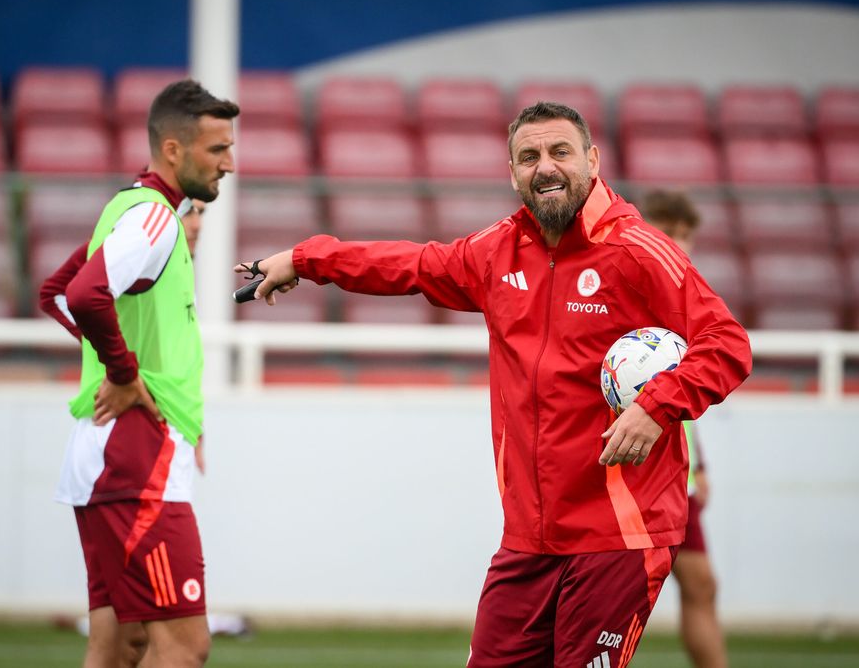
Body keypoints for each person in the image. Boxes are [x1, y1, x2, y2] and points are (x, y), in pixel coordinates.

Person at [236, 102, 752, 667]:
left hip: (617, 538)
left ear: (593, 160)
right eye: (528, 157)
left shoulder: (638, 250)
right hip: (527, 541)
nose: (545, 167)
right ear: (512, 173)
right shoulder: (497, 250)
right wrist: (308, 259)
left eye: (560, 152)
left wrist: (657, 405)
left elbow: (727, 344)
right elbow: (410, 265)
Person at [39, 79, 238, 668]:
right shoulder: (154, 218)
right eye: (217, 149)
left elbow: (57, 296)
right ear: (173, 150)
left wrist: (119, 364)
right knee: (183, 646)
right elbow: (82, 293)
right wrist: (125, 373)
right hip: (136, 456)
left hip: (106, 454)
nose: (229, 162)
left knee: (119, 646)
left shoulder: (134, 209)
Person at [640, 189, 728, 668]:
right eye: (666, 233)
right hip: (630, 471)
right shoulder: (623, 297)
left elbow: (684, 393)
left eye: (685, 236)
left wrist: (702, 464)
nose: (677, 244)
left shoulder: (687, 306)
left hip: (679, 474)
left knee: (700, 583)